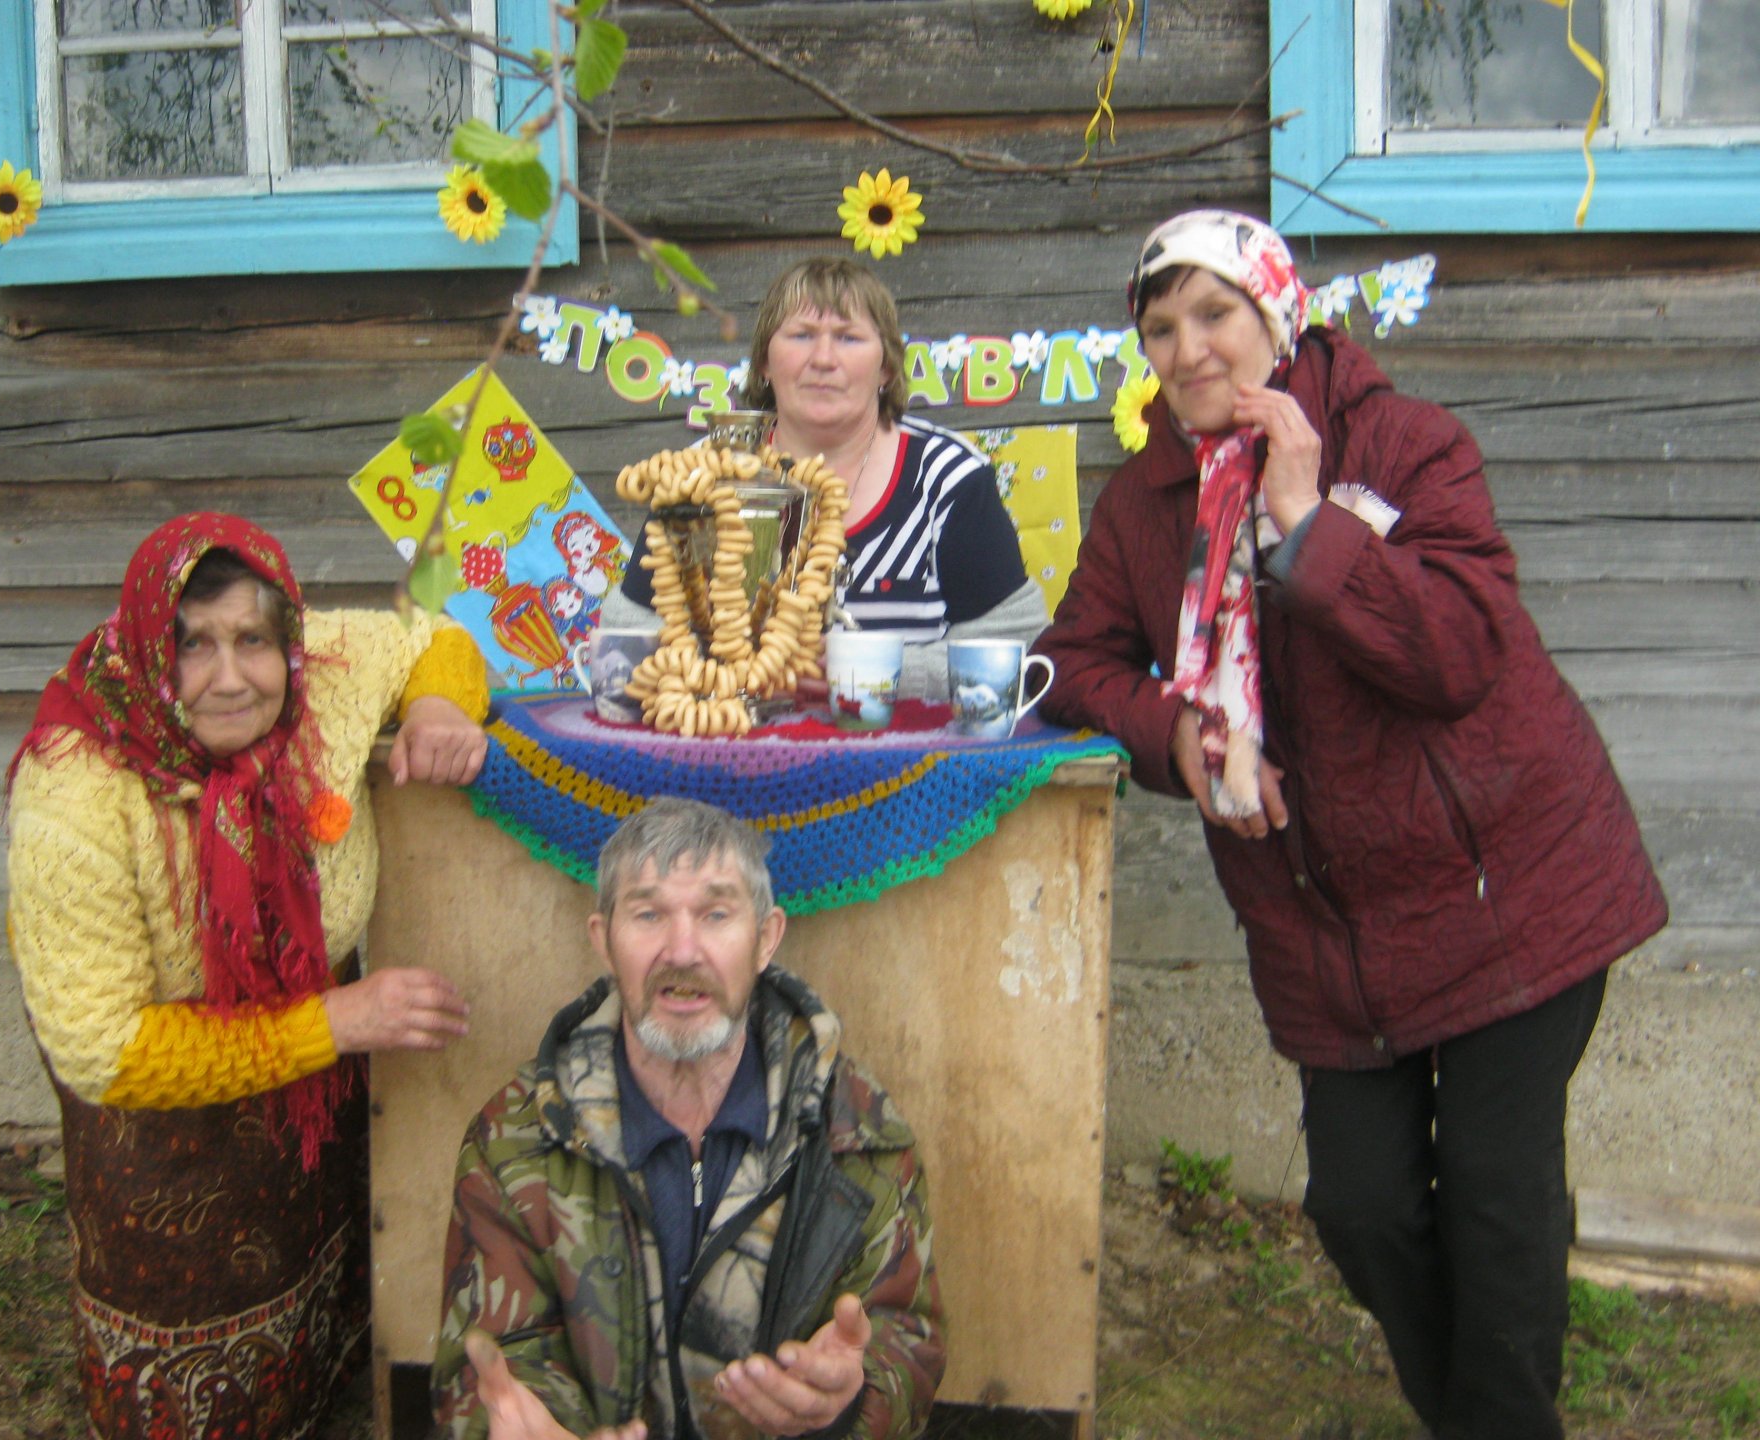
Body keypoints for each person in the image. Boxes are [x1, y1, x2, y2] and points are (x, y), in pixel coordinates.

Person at [1035, 211, 1668, 1439]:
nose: (1186, 350)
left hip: (1509, 889)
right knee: (1363, 1206)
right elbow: (1070, 665)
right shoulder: (1147, 500)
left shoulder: (1407, 445)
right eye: (1160, 330)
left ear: (1278, 313)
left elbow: (1461, 654)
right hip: (1325, 924)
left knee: (1495, 1193)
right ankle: (1471, 1415)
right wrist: (1175, 731)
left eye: (1214, 315)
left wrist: (1307, 521)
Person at [6, 512, 492, 1440]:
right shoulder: (76, 797)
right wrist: (333, 1025)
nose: (230, 678)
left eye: (252, 641)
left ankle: (323, 1369)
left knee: (320, 1240)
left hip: (312, 1055)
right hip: (160, 1102)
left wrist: (437, 707)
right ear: (149, 650)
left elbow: (433, 637)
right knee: (188, 1353)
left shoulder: (332, 679)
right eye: (192, 647)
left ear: (289, 643)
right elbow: (100, 1049)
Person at [431, 797, 943, 1440]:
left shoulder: (857, 1131)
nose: (682, 949)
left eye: (716, 914)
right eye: (647, 914)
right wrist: (527, 1425)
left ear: (765, 939)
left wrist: (849, 1401)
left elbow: (907, 1339)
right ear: (603, 941)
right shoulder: (515, 1139)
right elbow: (489, 1368)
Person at [598, 257, 1047, 700]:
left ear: (886, 367)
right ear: (765, 365)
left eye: (849, 338)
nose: (823, 359)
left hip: (911, 756)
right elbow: (626, 636)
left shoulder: (948, 477)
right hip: (728, 751)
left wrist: (872, 672)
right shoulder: (703, 474)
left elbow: (1019, 648)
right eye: (801, 335)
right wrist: (735, 673)